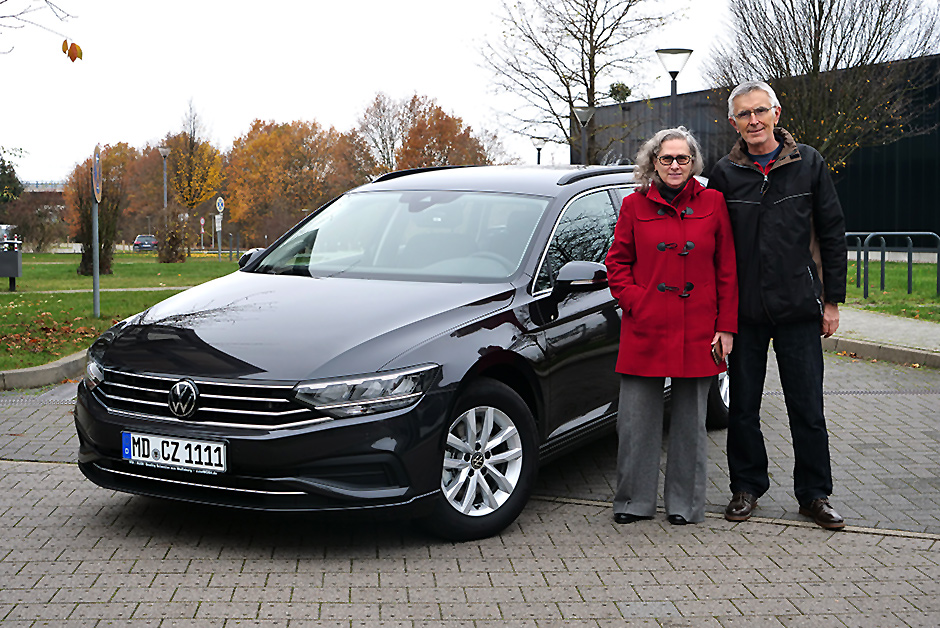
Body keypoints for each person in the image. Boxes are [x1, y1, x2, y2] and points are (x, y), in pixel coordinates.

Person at [708, 80, 848, 530]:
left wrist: (832, 301)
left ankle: (814, 495)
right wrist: (719, 316)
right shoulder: (724, 174)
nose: (753, 120)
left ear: (776, 113)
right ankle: (746, 487)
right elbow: (713, 246)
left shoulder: (808, 163)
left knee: (807, 407)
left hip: (799, 308)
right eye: (744, 114)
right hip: (745, 314)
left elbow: (832, 232)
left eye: (760, 111)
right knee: (743, 408)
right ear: (734, 122)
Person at [605, 126, 737, 525]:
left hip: (699, 327)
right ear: (653, 163)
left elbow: (727, 270)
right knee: (635, 424)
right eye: (667, 159)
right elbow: (617, 264)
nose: (675, 165)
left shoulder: (714, 202)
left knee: (690, 425)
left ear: (693, 162)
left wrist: (726, 327)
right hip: (645, 326)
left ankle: (684, 505)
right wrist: (637, 303)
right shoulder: (633, 205)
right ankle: (633, 502)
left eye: (682, 158)